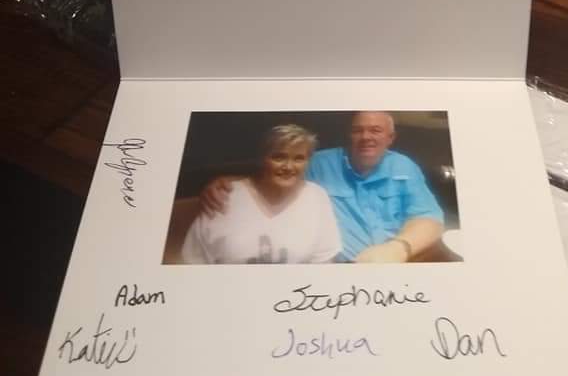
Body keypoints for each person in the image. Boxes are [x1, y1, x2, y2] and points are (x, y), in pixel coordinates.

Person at [201, 111, 444, 262]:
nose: (366, 137)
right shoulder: (320, 163)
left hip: (396, 263)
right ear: (349, 135)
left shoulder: (404, 166)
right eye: (358, 130)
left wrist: (397, 248)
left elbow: (429, 217)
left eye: (376, 131)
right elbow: (277, 173)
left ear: (390, 138)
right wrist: (227, 182)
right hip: (338, 269)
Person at [181, 124, 341, 264]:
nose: (288, 166)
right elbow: (194, 261)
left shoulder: (316, 196)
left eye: (298, 158)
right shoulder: (224, 195)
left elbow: (323, 262)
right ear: (262, 159)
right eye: (279, 157)